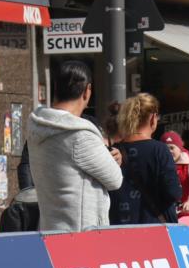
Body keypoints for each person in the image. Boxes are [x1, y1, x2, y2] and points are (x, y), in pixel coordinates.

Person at [26, 60, 123, 232]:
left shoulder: (38, 125)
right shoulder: (80, 135)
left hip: (50, 229)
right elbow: (115, 179)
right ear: (87, 91)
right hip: (81, 233)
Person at [110, 93, 182, 224]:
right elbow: (173, 193)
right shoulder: (159, 150)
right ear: (153, 118)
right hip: (155, 228)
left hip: (119, 227)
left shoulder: (113, 151)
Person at [161, 131, 189, 221]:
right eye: (166, 149)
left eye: (172, 148)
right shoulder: (161, 166)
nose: (169, 151)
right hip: (170, 211)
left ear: (180, 148)